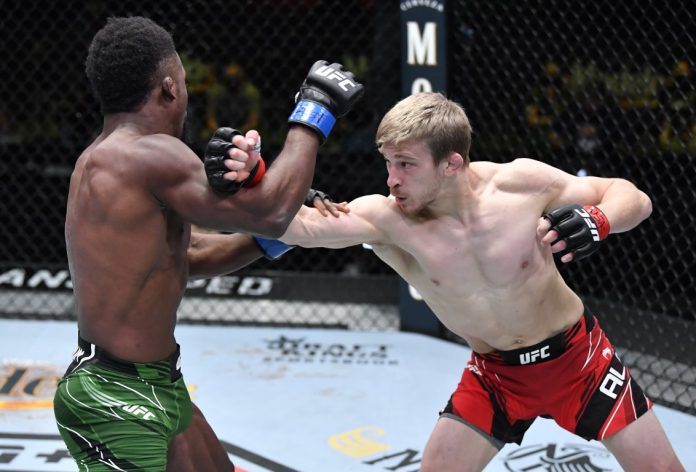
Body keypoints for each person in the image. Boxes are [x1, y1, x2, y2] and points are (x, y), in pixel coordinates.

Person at [271, 92, 685, 471]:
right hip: (496, 376)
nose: (391, 180)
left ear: (452, 163)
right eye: (388, 163)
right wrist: (257, 182)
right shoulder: (388, 219)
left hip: (580, 361)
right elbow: (292, 227)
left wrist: (600, 219)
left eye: (406, 164)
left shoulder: (520, 186)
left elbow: (634, 198)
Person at [52, 16, 362, 472]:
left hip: (153, 382)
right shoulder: (148, 153)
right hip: (115, 399)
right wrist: (315, 112)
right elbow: (272, 210)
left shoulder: (102, 157)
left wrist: (280, 234)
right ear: (169, 88)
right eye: (183, 81)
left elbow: (187, 255)